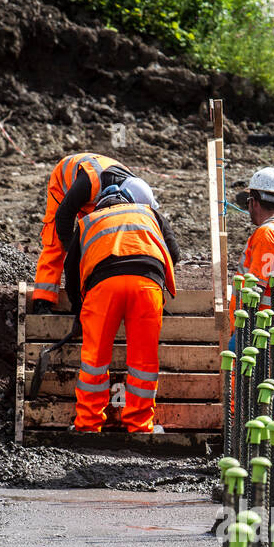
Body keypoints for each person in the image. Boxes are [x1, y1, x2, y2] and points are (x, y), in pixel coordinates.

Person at [63, 182, 180, 434]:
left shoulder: (88, 222)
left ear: (101, 204)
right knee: (143, 362)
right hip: (147, 286)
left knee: (94, 360)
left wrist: (77, 309)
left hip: (103, 288)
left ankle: (87, 424)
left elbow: (70, 271)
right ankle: (140, 426)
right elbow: (175, 252)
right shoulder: (149, 213)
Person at [31, 152, 158, 313]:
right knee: (56, 240)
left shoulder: (134, 186)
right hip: (66, 185)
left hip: (96, 196)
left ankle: (92, 293)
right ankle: (43, 299)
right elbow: (63, 215)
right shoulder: (89, 182)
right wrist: (72, 250)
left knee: (96, 242)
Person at [229, 168, 274, 331]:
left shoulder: (266, 234)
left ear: (253, 202)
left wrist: (242, 331)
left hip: (261, 329)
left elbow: (256, 288)